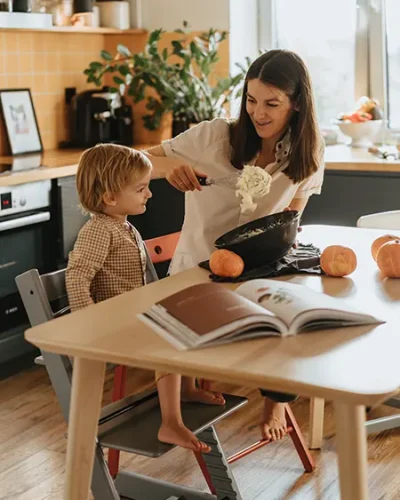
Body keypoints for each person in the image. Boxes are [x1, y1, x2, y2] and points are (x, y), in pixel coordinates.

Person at [144, 49, 325, 442]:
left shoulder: (308, 152)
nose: (258, 113)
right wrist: (169, 167)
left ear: (296, 105)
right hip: (197, 269)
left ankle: (276, 400)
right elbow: (135, 161)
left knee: (299, 319)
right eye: (251, 99)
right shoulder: (213, 137)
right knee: (173, 320)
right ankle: (175, 409)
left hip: (258, 272)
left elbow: (290, 221)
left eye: (272, 104)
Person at [65, 143, 224, 453]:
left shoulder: (122, 225)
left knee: (188, 316)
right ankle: (171, 422)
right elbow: (76, 275)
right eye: (140, 189)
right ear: (110, 197)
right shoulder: (99, 231)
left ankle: (187, 388)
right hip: (116, 322)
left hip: (134, 312)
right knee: (168, 336)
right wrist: (86, 322)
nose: (149, 194)